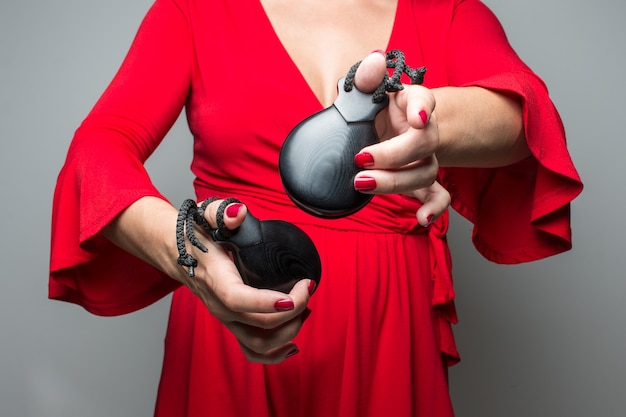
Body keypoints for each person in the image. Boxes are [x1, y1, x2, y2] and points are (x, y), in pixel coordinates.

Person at [49, 0, 583, 416]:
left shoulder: (444, 11)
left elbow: (523, 113)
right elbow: (99, 146)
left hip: (386, 333)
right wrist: (183, 250)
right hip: (229, 312)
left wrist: (432, 126)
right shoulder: (194, 10)